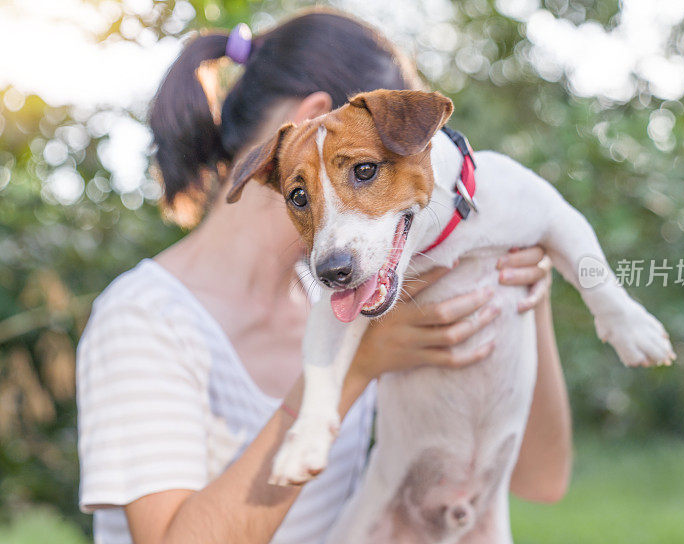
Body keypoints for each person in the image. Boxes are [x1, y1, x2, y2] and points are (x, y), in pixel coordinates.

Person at [76, 9, 572, 544]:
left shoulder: (357, 294)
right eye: (383, 160)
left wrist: (524, 289)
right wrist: (351, 372)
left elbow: (540, 480)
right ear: (317, 119)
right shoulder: (144, 319)